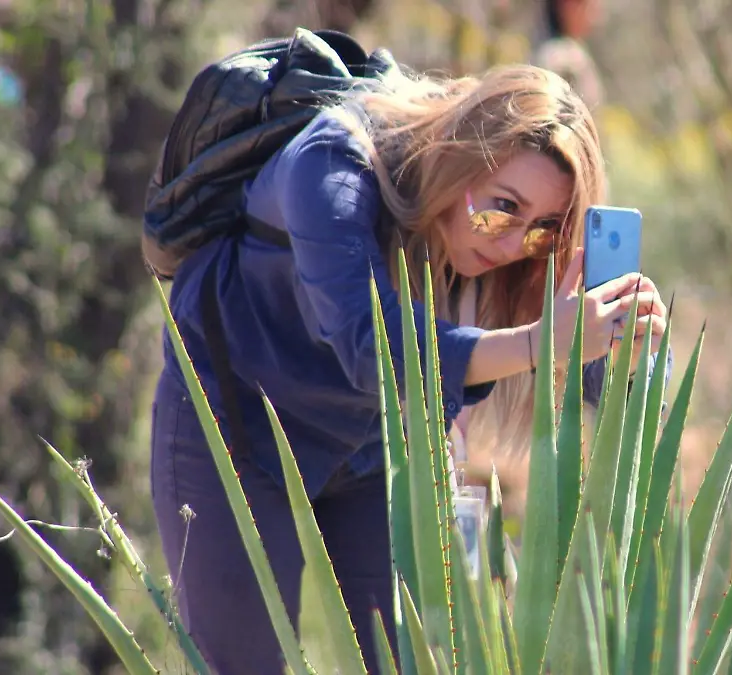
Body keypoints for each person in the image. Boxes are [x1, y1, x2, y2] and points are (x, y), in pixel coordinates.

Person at [149, 62, 669, 675]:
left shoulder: (508, 243)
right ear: (456, 159)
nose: (508, 244)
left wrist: (629, 359)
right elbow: (371, 344)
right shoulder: (335, 162)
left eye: (541, 232)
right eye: (503, 209)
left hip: (376, 453)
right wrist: (538, 341)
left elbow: (600, 386)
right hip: (233, 430)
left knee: (408, 664)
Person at [531, 0, 605, 109]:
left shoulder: (571, 51)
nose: (595, 16)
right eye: (588, 6)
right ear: (567, 5)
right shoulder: (560, 57)